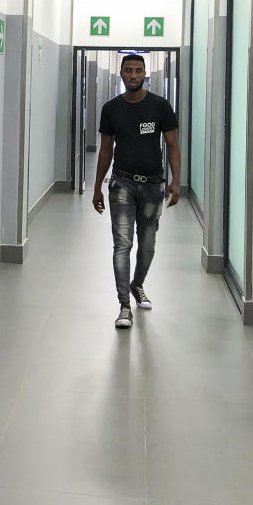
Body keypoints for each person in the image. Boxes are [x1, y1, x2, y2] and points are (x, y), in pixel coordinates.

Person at [92, 53, 180, 329]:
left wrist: (176, 181)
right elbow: (106, 151)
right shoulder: (111, 109)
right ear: (121, 74)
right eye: (128, 71)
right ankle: (124, 306)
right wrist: (97, 187)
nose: (133, 75)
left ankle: (137, 284)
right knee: (123, 244)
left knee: (148, 244)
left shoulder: (160, 107)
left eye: (138, 71)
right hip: (122, 183)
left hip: (153, 185)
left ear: (145, 74)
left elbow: (173, 146)